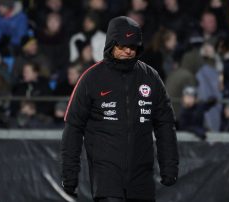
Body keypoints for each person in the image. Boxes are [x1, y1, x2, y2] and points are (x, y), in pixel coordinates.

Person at [61, 16, 179, 202]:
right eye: (122, 45)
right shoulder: (91, 79)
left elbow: (165, 124)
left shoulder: (150, 77)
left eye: (132, 46)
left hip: (142, 179)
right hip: (106, 179)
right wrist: (69, 175)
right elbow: (73, 127)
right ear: (111, 44)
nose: (127, 51)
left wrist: (169, 166)